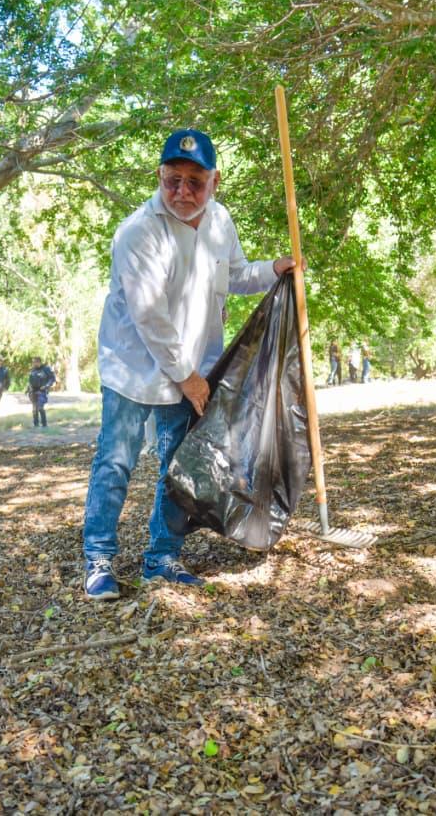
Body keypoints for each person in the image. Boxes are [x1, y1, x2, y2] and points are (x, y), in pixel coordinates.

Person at [79, 128, 296, 601]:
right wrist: (189, 378)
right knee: (115, 463)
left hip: (193, 369)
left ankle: (161, 558)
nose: (181, 192)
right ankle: (98, 559)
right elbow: (149, 315)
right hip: (134, 369)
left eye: (194, 182)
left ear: (215, 181)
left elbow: (235, 276)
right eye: (171, 179)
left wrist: (274, 270)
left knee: (181, 468)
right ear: (159, 176)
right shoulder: (139, 231)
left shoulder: (220, 222)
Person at [26, 357, 56, 427]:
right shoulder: (32, 370)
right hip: (33, 391)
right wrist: (28, 388)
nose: (33, 364)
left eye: (35, 362)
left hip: (42, 390)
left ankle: (44, 425)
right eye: (33, 362)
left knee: (40, 407)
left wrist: (46, 386)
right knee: (34, 409)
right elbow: (30, 381)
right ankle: (36, 425)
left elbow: (52, 378)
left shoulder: (46, 369)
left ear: (39, 362)